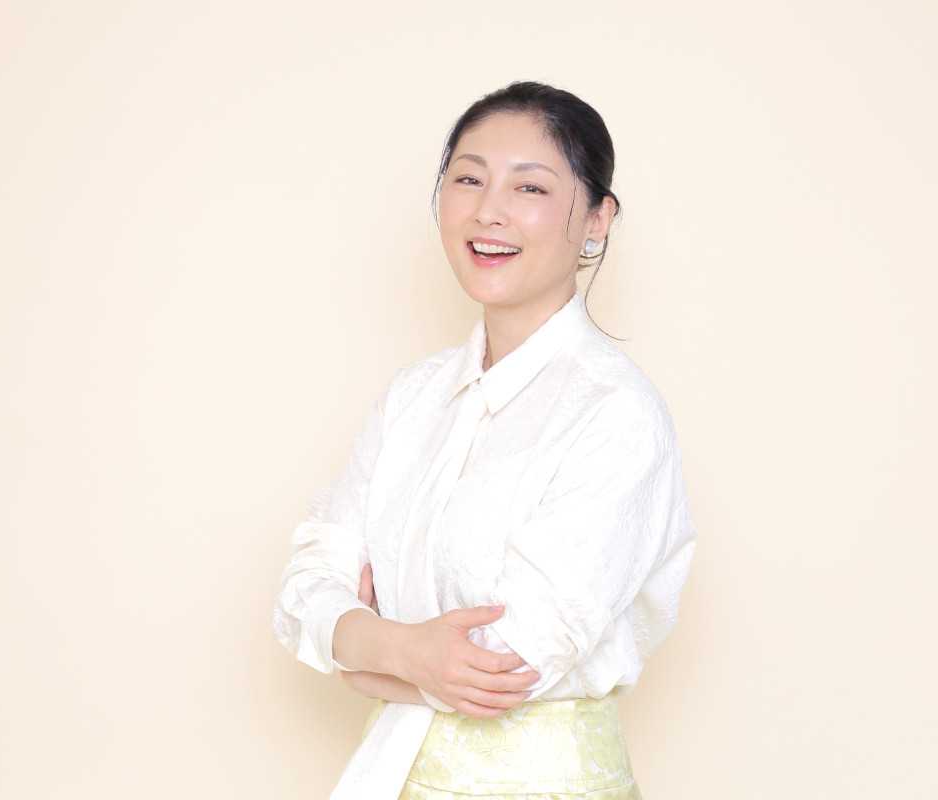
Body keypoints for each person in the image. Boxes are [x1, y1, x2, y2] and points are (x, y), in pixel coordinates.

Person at [273, 81, 695, 800]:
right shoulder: (413, 398)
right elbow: (305, 586)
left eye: (530, 187)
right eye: (468, 179)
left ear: (596, 220)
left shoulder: (615, 412)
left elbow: (507, 664)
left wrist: (362, 657)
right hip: (395, 775)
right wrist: (401, 649)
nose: (488, 211)